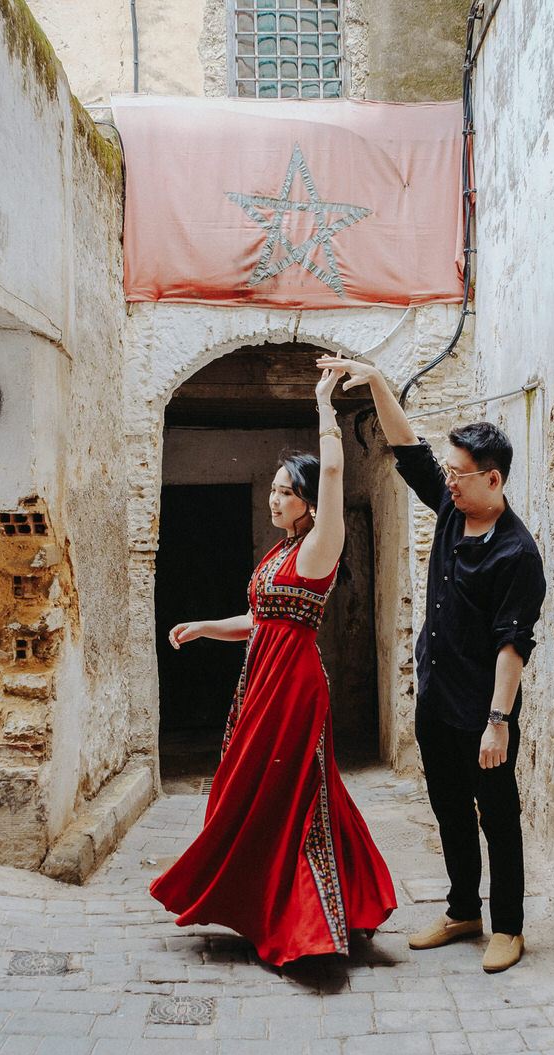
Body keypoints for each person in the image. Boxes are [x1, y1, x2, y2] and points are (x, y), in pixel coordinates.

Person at [150, 369, 396, 966]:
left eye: (286, 491)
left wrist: (324, 405)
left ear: (310, 501)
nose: (274, 498)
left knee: (285, 792)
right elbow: (261, 621)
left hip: (293, 686)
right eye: (273, 489)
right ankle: (287, 903)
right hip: (261, 681)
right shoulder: (280, 552)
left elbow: (333, 472)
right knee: (265, 789)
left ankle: (306, 921)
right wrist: (206, 627)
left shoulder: (320, 546)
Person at [317, 355, 546, 973]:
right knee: (448, 809)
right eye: (449, 473)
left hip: (483, 711)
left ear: (493, 479)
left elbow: (513, 645)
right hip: (437, 700)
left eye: (460, 475)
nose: (449, 482)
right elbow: (409, 450)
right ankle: (463, 910)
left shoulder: (517, 554)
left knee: (498, 817)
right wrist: (377, 382)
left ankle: (509, 926)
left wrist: (498, 722)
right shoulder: (450, 510)